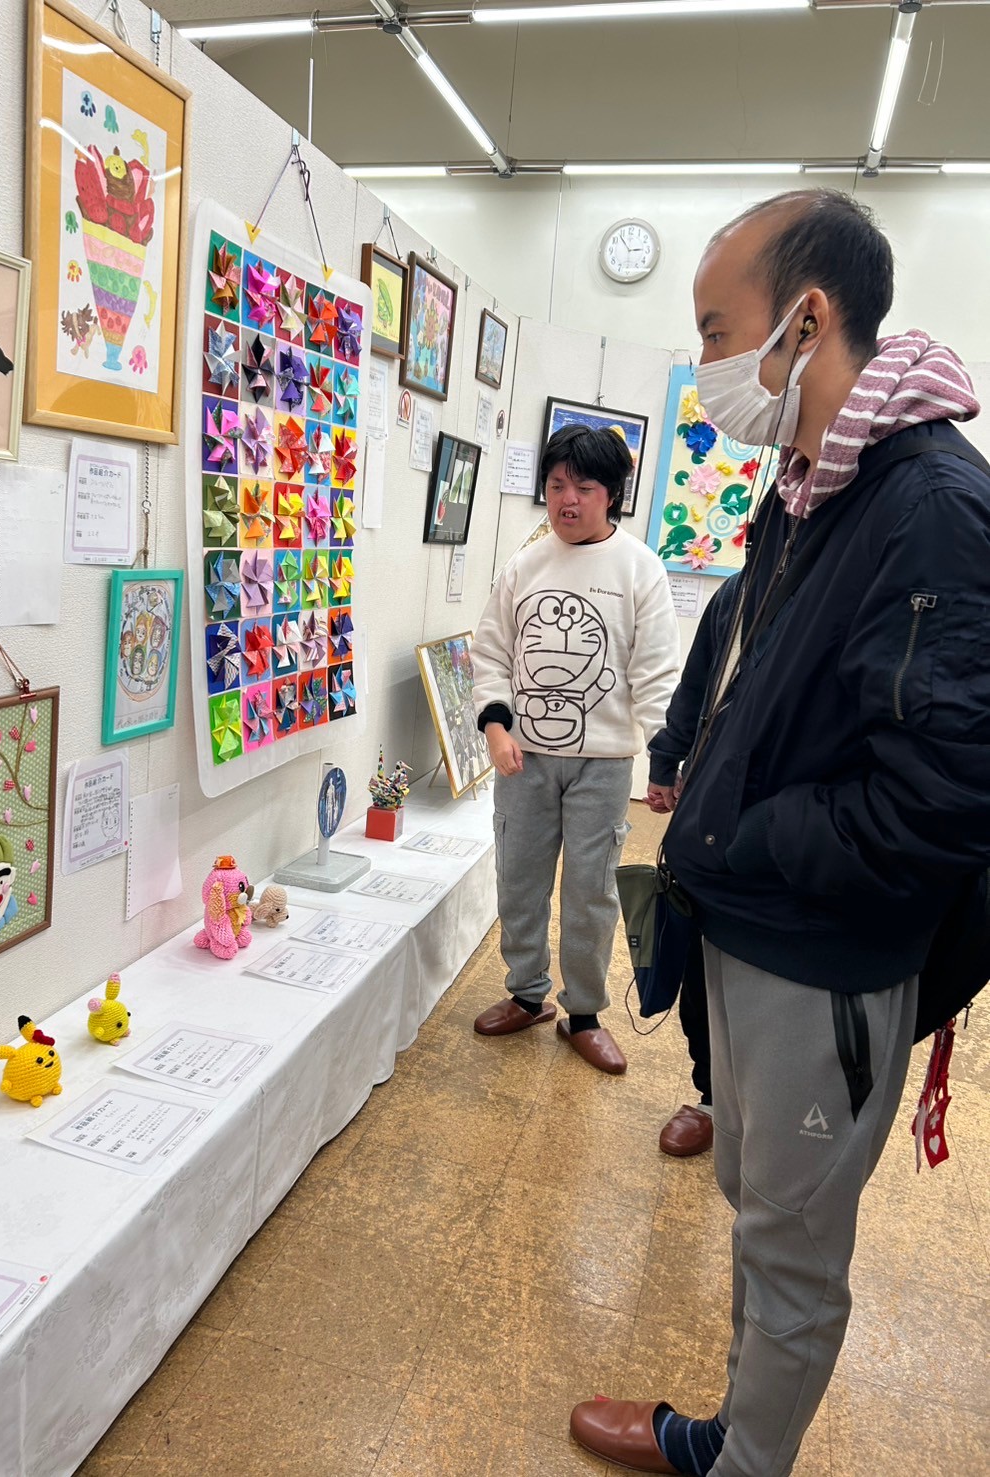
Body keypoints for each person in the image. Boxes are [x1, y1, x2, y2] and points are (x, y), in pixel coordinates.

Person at [570, 188, 990, 1475]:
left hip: (825, 950)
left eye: (715, 330)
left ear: (804, 321)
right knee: (756, 1208)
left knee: (793, 1247)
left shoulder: (930, 508)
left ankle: (741, 1462)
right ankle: (733, 1431)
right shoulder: (814, 491)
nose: (705, 363)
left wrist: (743, 836)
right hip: (756, 928)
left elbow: (939, 799)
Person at [471, 423, 679, 1073]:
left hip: (605, 764)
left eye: (583, 487)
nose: (566, 499)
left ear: (611, 494)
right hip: (524, 759)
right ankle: (527, 993)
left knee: (591, 893)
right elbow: (490, 652)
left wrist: (665, 762)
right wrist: (496, 728)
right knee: (519, 879)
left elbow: (655, 674)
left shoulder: (640, 568)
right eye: (556, 484)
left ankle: (584, 1013)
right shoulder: (525, 564)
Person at [645, 574, 741, 1158]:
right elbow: (697, 684)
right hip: (709, 808)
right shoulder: (738, 592)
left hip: (801, 830)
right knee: (701, 966)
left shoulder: (861, 580)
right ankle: (711, 1097)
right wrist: (666, 760)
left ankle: (764, 1109)